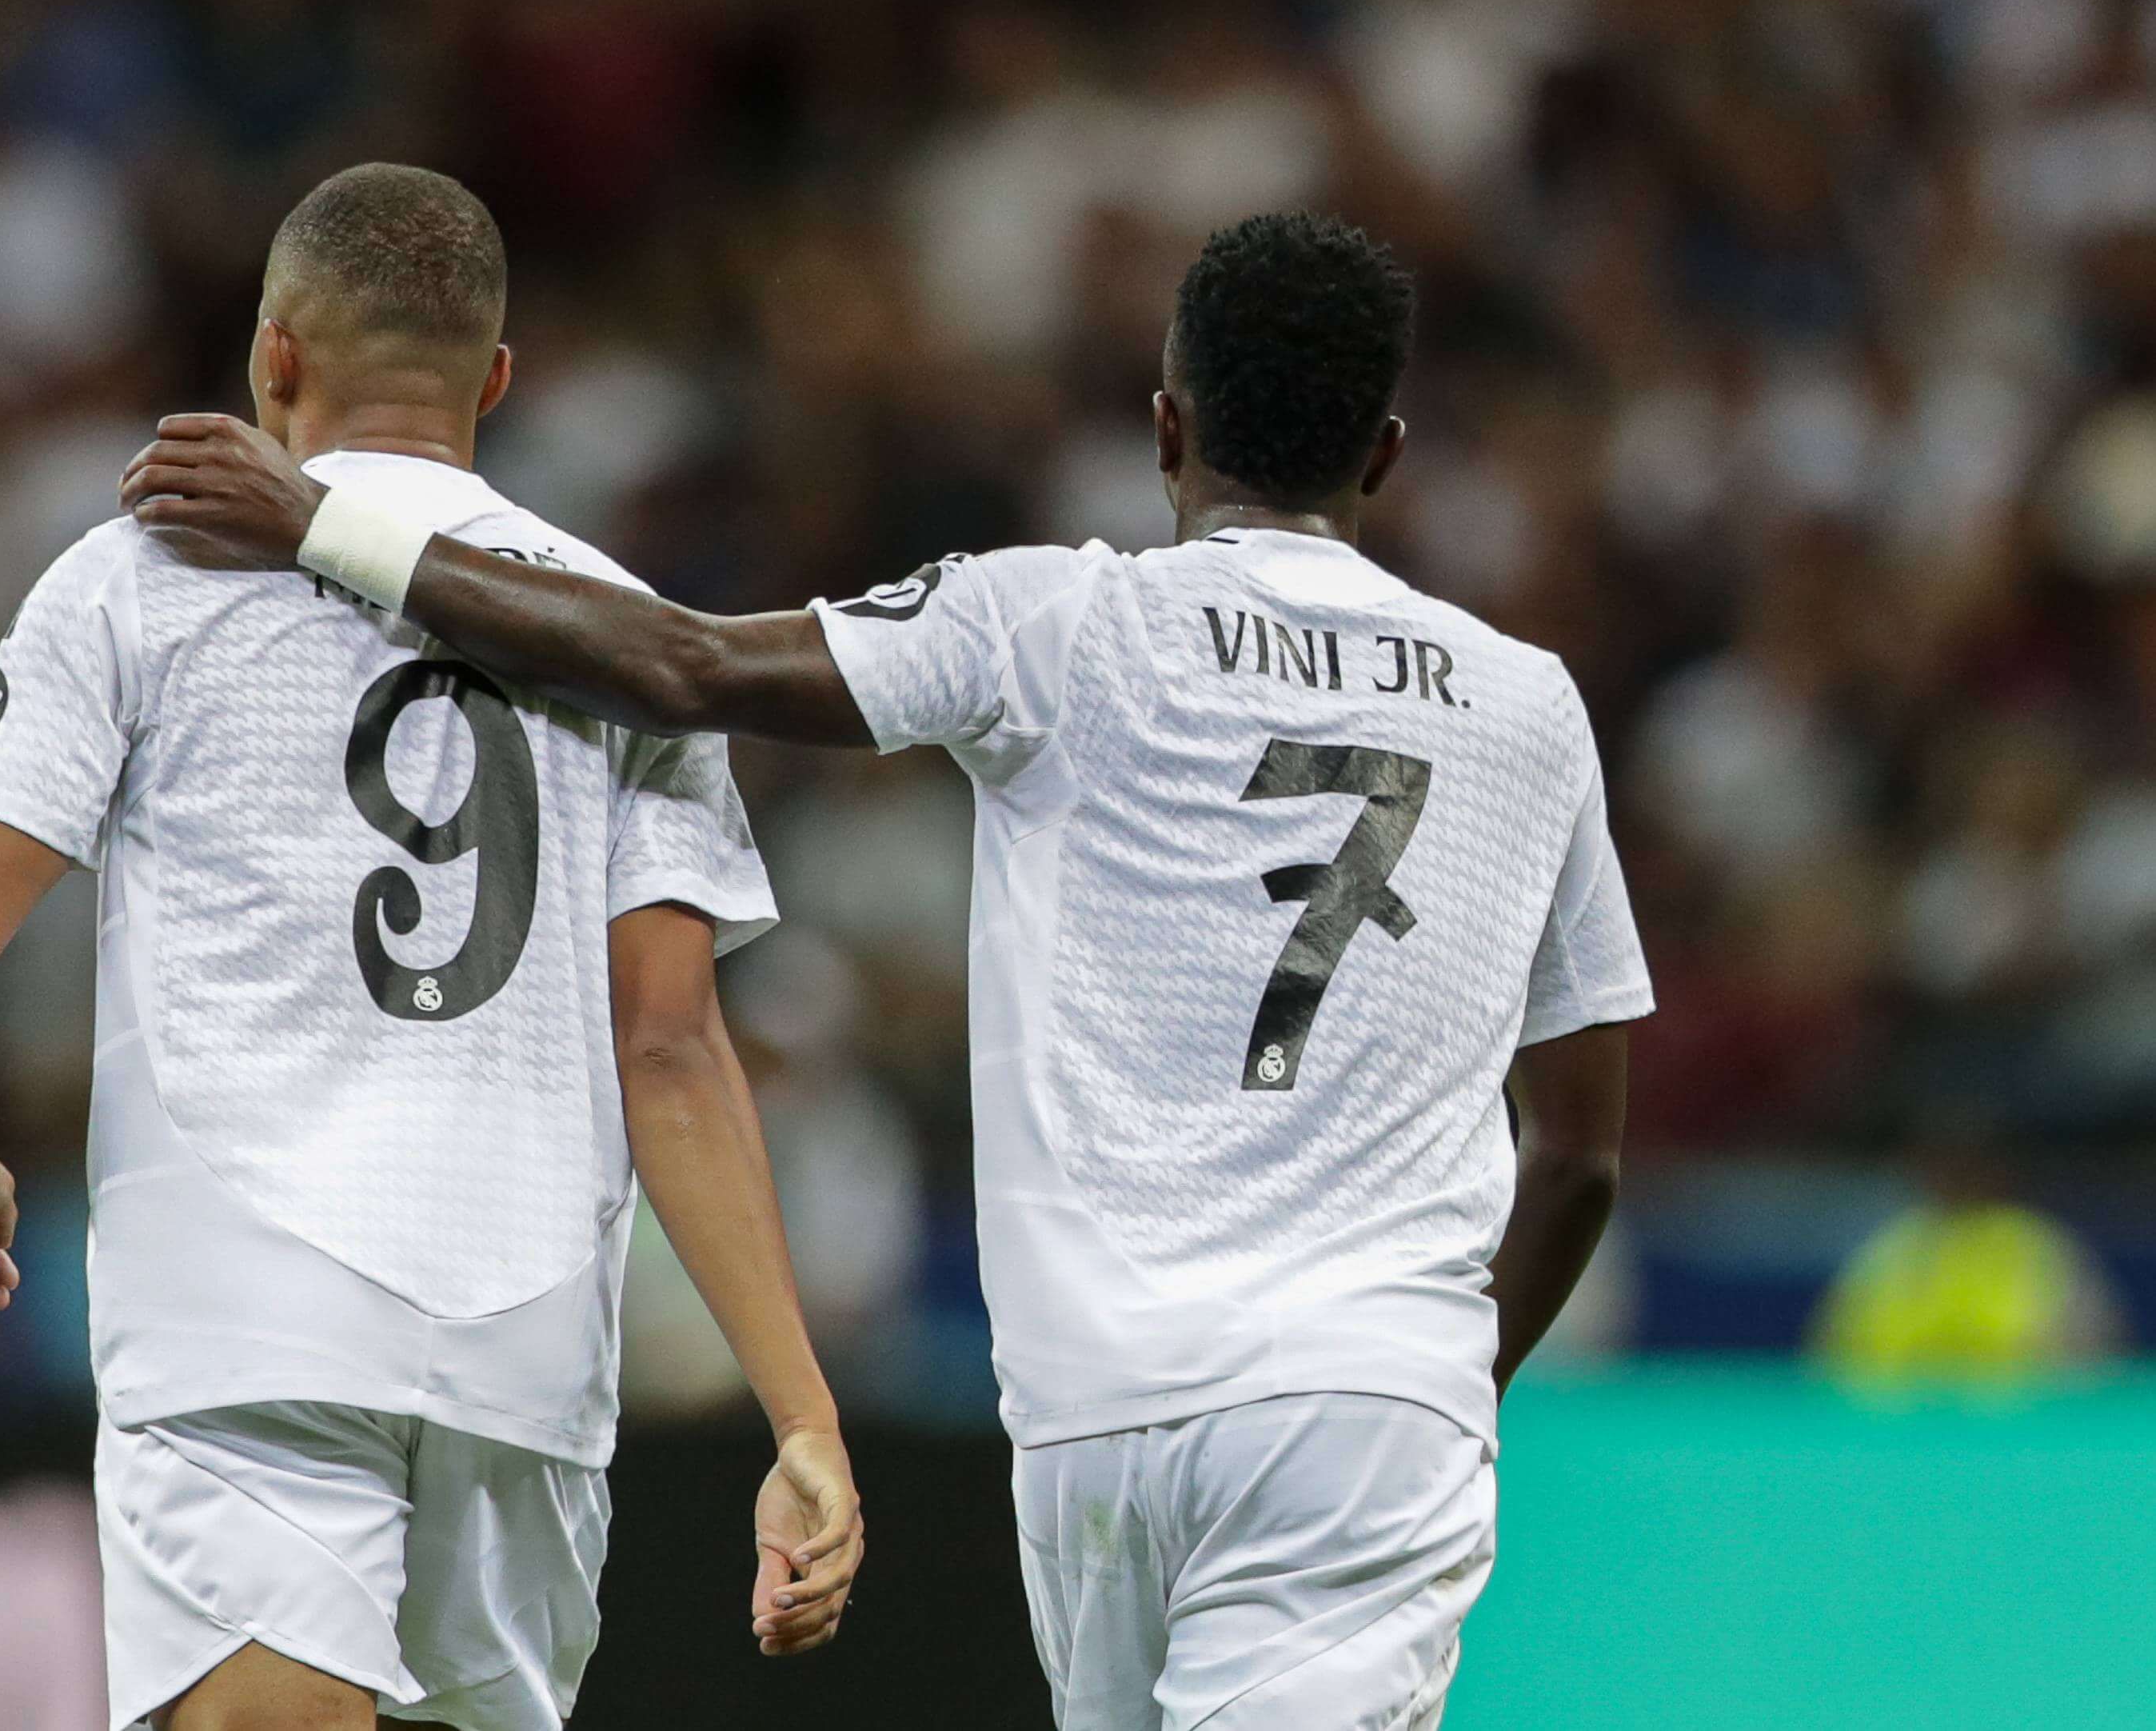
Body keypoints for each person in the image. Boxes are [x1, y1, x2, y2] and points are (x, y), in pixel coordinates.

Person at [122, 210, 1655, 1730]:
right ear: (1384, 453)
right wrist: (1444, 1393)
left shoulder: (1055, 619)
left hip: (1098, 1409)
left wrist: (325, 526)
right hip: (1369, 1394)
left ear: (1166, 429)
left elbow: (683, 663)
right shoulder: (1530, 708)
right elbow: (1579, 1151)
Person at [0, 164, 860, 1731]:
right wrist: (802, 1419)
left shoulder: (141, 578)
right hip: (527, 1356)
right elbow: (672, 1046)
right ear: (496, 382)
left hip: (246, 1332)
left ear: (274, 356)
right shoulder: (622, 630)